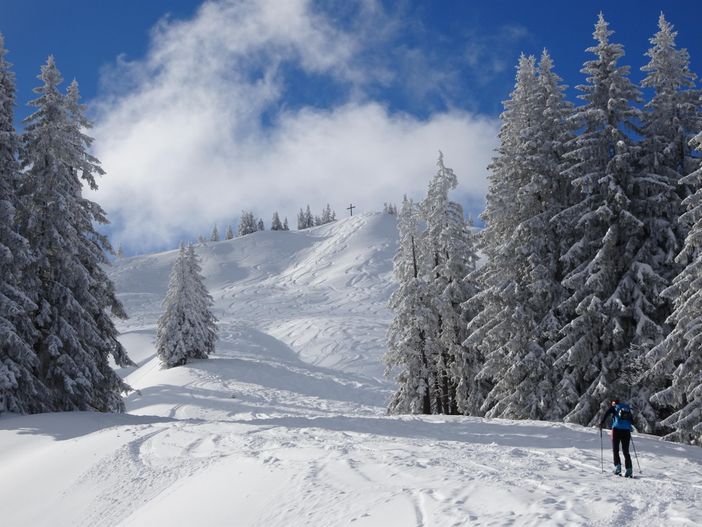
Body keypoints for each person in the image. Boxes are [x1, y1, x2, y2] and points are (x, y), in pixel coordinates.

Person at [599, 399, 634, 477]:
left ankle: (617, 467)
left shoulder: (614, 407)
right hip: (626, 431)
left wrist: (602, 422)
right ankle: (629, 470)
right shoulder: (626, 408)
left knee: (616, 449)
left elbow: (606, 413)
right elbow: (632, 420)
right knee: (626, 451)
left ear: (613, 403)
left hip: (616, 430)